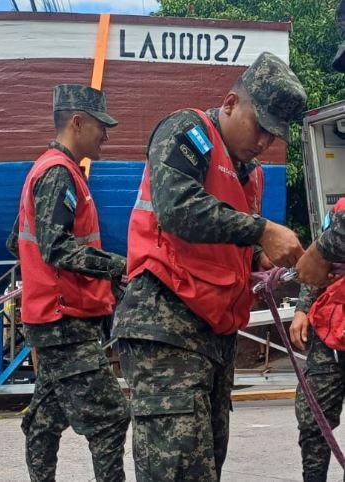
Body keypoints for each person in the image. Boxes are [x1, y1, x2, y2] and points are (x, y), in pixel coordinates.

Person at [113, 52, 307, 481]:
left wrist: (263, 259)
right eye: (260, 126)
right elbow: (177, 208)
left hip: (212, 339)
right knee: (177, 469)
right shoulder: (187, 132)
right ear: (232, 103)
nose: (263, 142)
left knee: (204, 467)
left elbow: (229, 247)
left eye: (273, 136)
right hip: (166, 327)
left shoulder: (249, 175)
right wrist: (261, 231)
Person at [7, 84, 130, 482]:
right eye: (101, 126)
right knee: (111, 417)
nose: (106, 135)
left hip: (54, 315)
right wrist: (117, 267)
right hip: (64, 322)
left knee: (45, 418)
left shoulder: (47, 170)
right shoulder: (58, 174)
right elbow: (56, 248)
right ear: (78, 122)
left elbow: (17, 240)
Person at [291, 198, 345, 482]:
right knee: (313, 419)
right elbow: (317, 258)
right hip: (329, 329)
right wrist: (302, 309)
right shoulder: (338, 212)